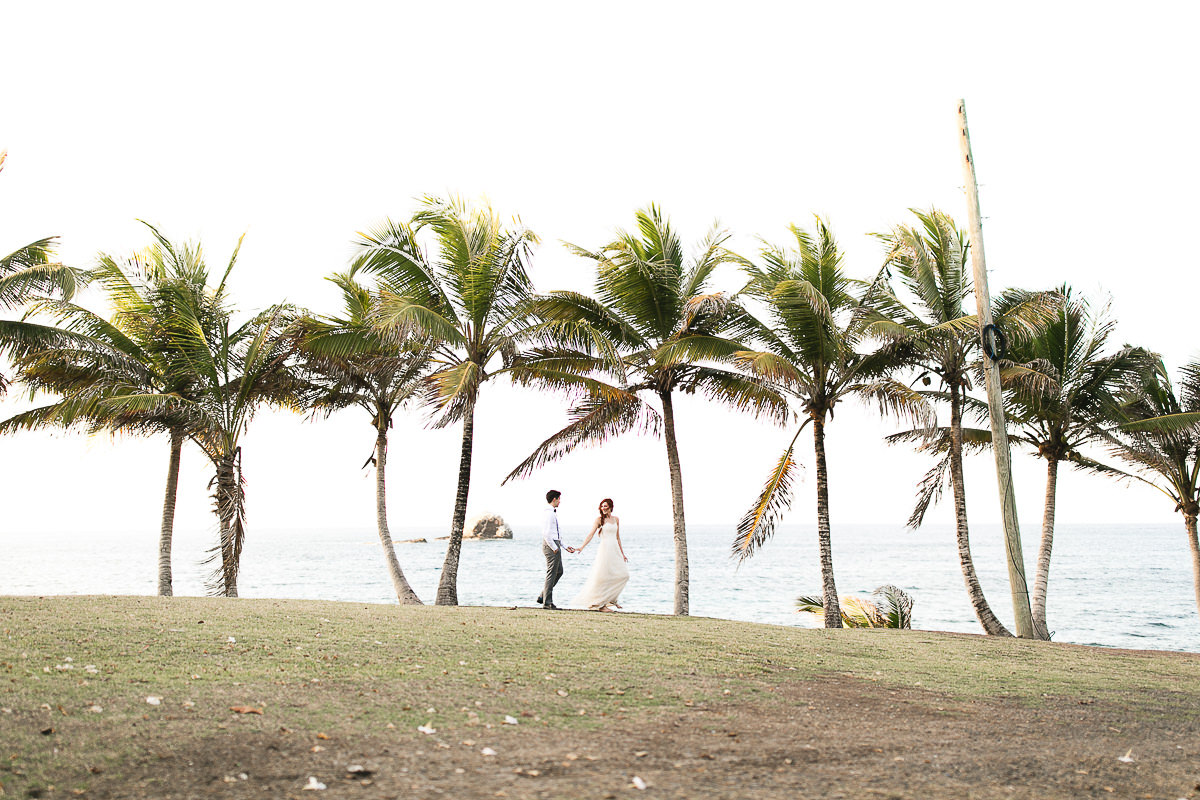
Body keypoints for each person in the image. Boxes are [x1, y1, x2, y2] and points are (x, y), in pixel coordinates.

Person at [569, 498, 629, 611]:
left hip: (615, 550)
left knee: (624, 575)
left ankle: (612, 599)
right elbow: (590, 534)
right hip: (605, 550)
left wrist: (623, 554)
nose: (603, 508)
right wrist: (582, 547)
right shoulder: (599, 520)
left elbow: (618, 537)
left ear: (611, 507)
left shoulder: (616, 519)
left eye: (605, 506)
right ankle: (601, 605)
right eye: (602, 506)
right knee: (603, 576)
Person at [537, 489, 573, 609]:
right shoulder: (549, 513)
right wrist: (554, 547)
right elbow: (546, 533)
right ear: (554, 499)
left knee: (559, 571)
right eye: (559, 499)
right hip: (551, 545)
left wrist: (565, 546)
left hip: (555, 544)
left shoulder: (552, 513)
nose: (560, 501)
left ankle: (543, 595)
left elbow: (556, 533)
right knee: (551, 573)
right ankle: (547, 603)